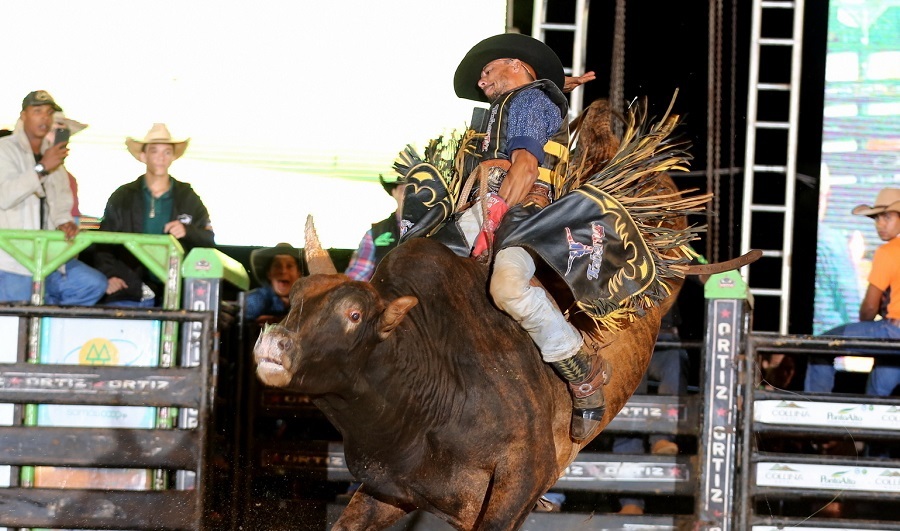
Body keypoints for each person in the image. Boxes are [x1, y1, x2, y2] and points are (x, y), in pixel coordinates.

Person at [399, 33, 610, 439]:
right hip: (485, 210)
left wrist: (494, 218)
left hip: (521, 214)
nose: (482, 82)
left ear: (516, 64)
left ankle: (583, 371)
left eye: (488, 71)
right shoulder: (524, 101)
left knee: (509, 288)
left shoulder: (529, 100)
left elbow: (525, 167)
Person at [90, 123, 215, 306]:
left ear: (173, 157)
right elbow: (102, 243)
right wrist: (110, 276)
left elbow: (209, 239)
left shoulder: (188, 196)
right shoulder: (123, 196)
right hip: (131, 287)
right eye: (154, 151)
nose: (161, 158)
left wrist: (187, 231)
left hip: (177, 290)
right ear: (143, 156)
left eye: (166, 152)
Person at [0, 90, 106, 305]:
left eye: (48, 113)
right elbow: (4, 196)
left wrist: (64, 223)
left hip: (48, 259)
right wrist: (41, 168)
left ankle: (54, 329)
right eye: (37, 111)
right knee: (15, 328)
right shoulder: (5, 149)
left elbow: (61, 205)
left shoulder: (54, 157)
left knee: (91, 284)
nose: (44, 118)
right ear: (23, 115)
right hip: (12, 260)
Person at [806, 187, 900, 394]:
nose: (880, 225)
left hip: (892, 331)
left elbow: (869, 306)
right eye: (876, 219)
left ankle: (814, 409)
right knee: (878, 397)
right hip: (894, 337)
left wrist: (865, 327)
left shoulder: (888, 251)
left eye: (887, 217)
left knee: (821, 345)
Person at [612, 308, 689, 515]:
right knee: (628, 410)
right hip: (628, 335)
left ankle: (662, 436)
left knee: (675, 361)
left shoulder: (677, 274)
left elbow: (704, 278)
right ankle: (631, 502)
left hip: (664, 339)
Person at [344, 174, 407, 281]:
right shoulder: (374, 234)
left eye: (416, 191)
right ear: (394, 192)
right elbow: (358, 276)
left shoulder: (436, 230)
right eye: (404, 190)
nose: (408, 196)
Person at [245, 243, 304, 325]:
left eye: (289, 266)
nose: (283, 271)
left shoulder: (308, 301)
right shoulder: (257, 299)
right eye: (277, 266)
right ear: (269, 274)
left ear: (299, 274)